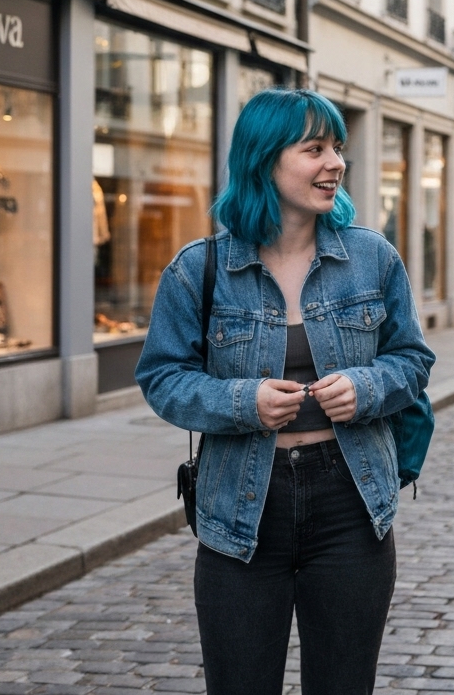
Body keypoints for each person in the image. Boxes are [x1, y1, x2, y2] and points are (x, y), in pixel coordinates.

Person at [136, 89, 436, 695]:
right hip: (240, 509)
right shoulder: (200, 269)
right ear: (264, 158)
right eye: (314, 149)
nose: (336, 163)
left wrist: (367, 386)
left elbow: (413, 361)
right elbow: (163, 378)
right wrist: (242, 402)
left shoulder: (372, 258)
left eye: (337, 148)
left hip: (350, 503)